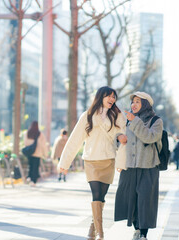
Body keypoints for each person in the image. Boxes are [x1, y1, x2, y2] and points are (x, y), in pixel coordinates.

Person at [58, 86, 126, 240]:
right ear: (100, 97)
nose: (112, 99)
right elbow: (75, 139)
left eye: (114, 97)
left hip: (108, 160)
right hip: (91, 161)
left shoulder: (118, 116)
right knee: (96, 194)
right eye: (108, 96)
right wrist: (65, 163)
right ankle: (100, 233)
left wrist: (121, 161)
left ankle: (93, 226)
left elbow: (123, 138)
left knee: (101, 197)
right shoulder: (87, 115)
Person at [114, 92, 163, 240]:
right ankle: (136, 230)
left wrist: (135, 121)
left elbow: (150, 137)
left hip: (148, 167)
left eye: (137, 102)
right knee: (131, 199)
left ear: (146, 105)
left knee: (145, 200)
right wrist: (118, 138)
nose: (133, 105)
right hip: (129, 167)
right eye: (132, 102)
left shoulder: (156, 121)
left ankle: (143, 233)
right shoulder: (127, 121)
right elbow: (119, 139)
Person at [24, 121, 49, 186]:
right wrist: (45, 154)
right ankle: (33, 181)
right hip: (37, 153)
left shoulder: (27, 133)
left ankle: (29, 178)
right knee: (35, 167)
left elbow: (25, 143)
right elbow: (43, 145)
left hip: (30, 153)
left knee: (30, 166)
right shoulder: (40, 134)